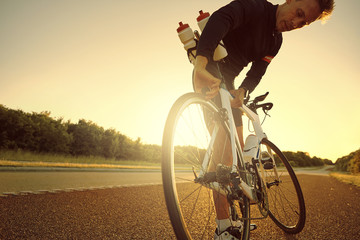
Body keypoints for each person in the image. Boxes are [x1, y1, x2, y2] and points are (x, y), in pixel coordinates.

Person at [192, 0, 334, 239]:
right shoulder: (256, 7)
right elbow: (220, 19)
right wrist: (201, 62)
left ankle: (230, 221)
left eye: (304, 23)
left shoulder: (276, 41)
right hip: (210, 73)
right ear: (291, 0)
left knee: (233, 161)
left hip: (230, 84)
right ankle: (223, 228)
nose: (296, 23)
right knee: (224, 156)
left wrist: (244, 90)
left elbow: (257, 70)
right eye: (299, 13)